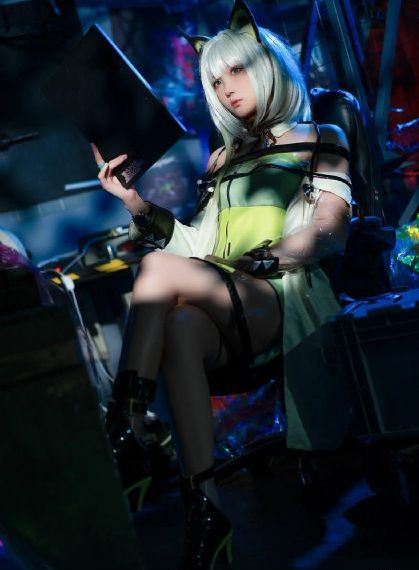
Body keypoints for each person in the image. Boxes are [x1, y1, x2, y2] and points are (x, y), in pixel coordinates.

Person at [92, 1, 352, 567]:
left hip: (283, 293)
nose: (227, 87)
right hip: (224, 296)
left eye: (237, 70)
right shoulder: (221, 160)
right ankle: (206, 511)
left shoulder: (319, 137)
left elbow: (331, 230)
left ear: (269, 66)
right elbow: (196, 247)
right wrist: (134, 203)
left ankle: (127, 429)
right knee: (181, 326)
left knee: (153, 271)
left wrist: (268, 257)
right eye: (215, 79)